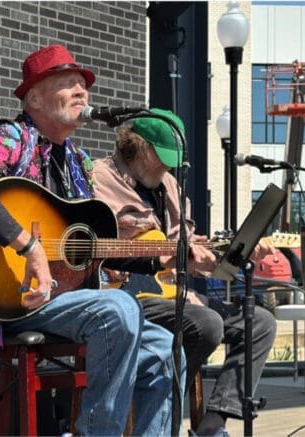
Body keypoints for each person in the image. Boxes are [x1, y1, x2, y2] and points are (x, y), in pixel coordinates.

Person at [0, 45, 183, 436]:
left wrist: (161, 258)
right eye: (68, 83)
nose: (82, 92)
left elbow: (92, 251)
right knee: (119, 309)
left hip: (63, 298)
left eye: (84, 85)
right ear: (35, 98)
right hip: (13, 298)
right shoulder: (11, 138)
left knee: (165, 349)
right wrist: (28, 246)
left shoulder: (79, 162)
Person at [92, 109, 278, 437]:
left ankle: (212, 425)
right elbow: (91, 246)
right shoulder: (97, 178)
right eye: (161, 160)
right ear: (138, 147)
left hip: (171, 294)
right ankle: (152, 409)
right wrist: (159, 253)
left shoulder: (170, 187)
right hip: (124, 296)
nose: (167, 168)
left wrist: (227, 256)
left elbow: (190, 251)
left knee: (259, 322)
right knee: (206, 324)